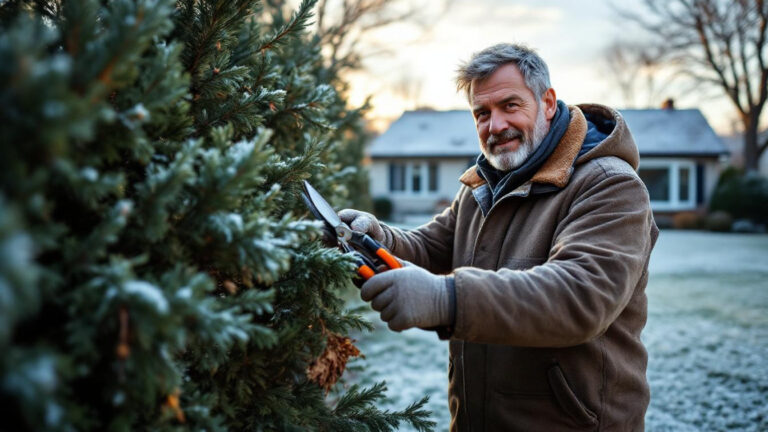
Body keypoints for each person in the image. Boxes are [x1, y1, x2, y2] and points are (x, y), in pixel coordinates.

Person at [340, 43, 658, 431]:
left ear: (548, 102)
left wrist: (447, 299)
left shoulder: (609, 185)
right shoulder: (483, 185)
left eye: (510, 105)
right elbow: (432, 247)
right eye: (482, 113)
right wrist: (375, 238)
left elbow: (581, 295)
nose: (496, 125)